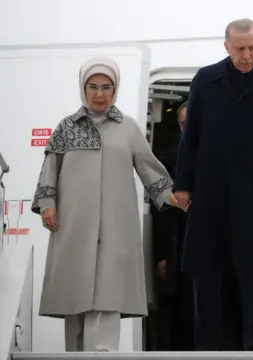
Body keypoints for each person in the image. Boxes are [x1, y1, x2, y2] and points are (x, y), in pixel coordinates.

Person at [31, 57, 180, 352]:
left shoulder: (127, 128)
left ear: (115, 90)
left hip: (115, 227)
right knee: (74, 301)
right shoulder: (67, 127)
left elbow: (149, 167)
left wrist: (170, 195)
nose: (100, 94)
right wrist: (48, 204)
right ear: (83, 89)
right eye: (93, 87)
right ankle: (74, 356)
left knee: (109, 298)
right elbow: (50, 169)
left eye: (106, 87)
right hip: (74, 226)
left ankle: (104, 355)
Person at [173, 18, 253, 351]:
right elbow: (192, 137)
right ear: (226, 46)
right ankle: (206, 347)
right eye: (241, 49)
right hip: (210, 194)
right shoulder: (206, 80)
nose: (247, 55)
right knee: (205, 272)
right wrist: (182, 184)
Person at [153, 101, 194, 351]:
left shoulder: (222, 152)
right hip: (180, 246)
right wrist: (163, 255)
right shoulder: (168, 159)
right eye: (183, 123)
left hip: (215, 248)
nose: (187, 128)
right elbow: (161, 212)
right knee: (183, 314)